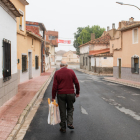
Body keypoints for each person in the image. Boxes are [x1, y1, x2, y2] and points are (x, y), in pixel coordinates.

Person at [52, 61, 80, 133]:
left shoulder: (57, 73)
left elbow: (54, 86)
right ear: (67, 65)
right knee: (70, 108)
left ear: (60, 65)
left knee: (62, 110)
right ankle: (69, 123)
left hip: (60, 94)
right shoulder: (71, 72)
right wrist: (77, 92)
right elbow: (76, 83)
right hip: (70, 94)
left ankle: (63, 127)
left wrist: (53, 97)